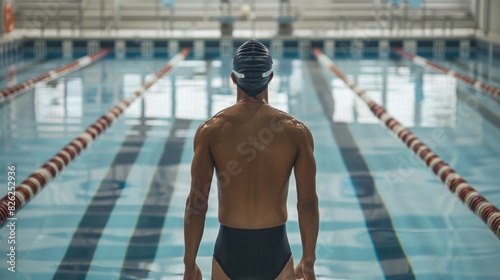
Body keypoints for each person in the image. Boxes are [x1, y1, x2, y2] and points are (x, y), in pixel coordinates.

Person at [183, 39, 319, 280]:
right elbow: (307, 204)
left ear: (234, 78)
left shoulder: (211, 130)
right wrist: (308, 261)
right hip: (276, 249)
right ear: (271, 77)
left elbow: (197, 204)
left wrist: (189, 264)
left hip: (229, 251)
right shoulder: (296, 131)